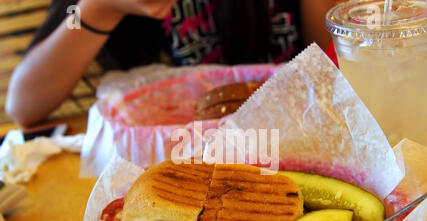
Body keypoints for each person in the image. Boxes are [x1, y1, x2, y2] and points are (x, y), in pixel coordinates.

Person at [5, 0, 339, 127]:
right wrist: (99, 7)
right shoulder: (79, 11)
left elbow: (334, 68)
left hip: (293, 132)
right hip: (178, 152)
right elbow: (24, 103)